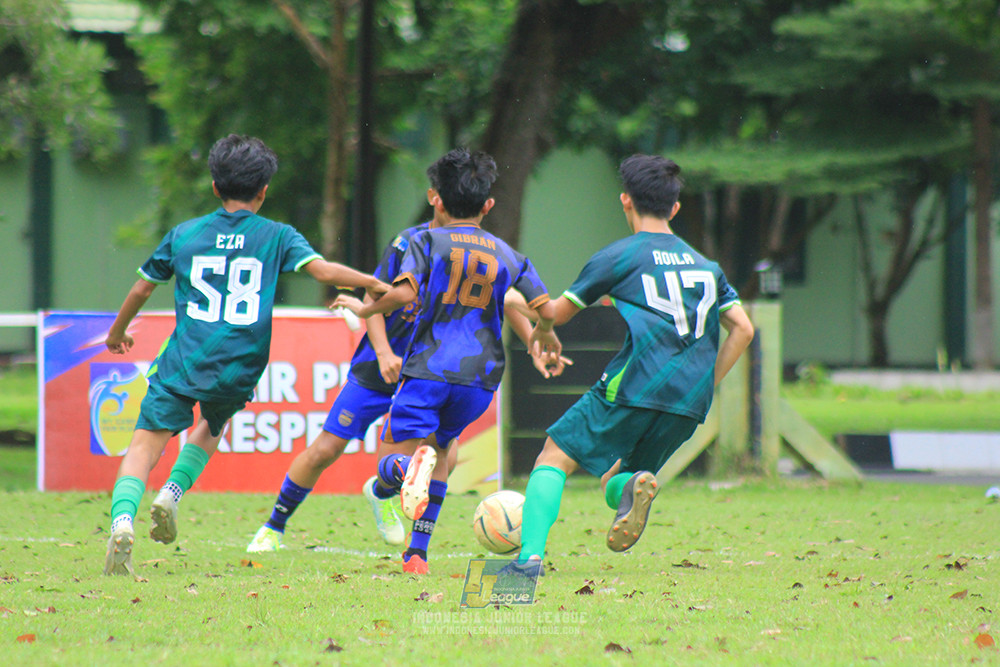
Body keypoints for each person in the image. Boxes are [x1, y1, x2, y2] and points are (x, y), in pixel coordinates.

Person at [102, 134, 388, 577]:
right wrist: (374, 283)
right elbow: (325, 272)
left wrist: (117, 331)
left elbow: (143, 287)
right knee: (211, 426)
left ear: (215, 187)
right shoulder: (277, 236)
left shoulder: (185, 234)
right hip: (239, 364)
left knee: (145, 442)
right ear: (264, 190)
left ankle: (123, 521)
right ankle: (172, 494)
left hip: (185, 358)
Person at [514, 154, 755, 569]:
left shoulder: (619, 257)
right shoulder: (707, 267)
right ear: (675, 208)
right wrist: (706, 381)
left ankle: (528, 558)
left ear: (626, 201)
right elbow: (743, 329)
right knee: (616, 480)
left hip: (634, 383)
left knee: (553, 458)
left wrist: (517, 304)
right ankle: (633, 484)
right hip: (689, 401)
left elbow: (555, 313)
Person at [333, 148, 561, 574]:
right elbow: (543, 308)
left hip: (428, 370)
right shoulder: (508, 254)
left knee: (391, 463)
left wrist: (362, 311)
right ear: (488, 205)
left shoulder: (425, 241)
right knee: (441, 450)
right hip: (480, 381)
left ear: (435, 198)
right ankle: (417, 554)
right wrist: (543, 334)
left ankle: (403, 469)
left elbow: (402, 294)